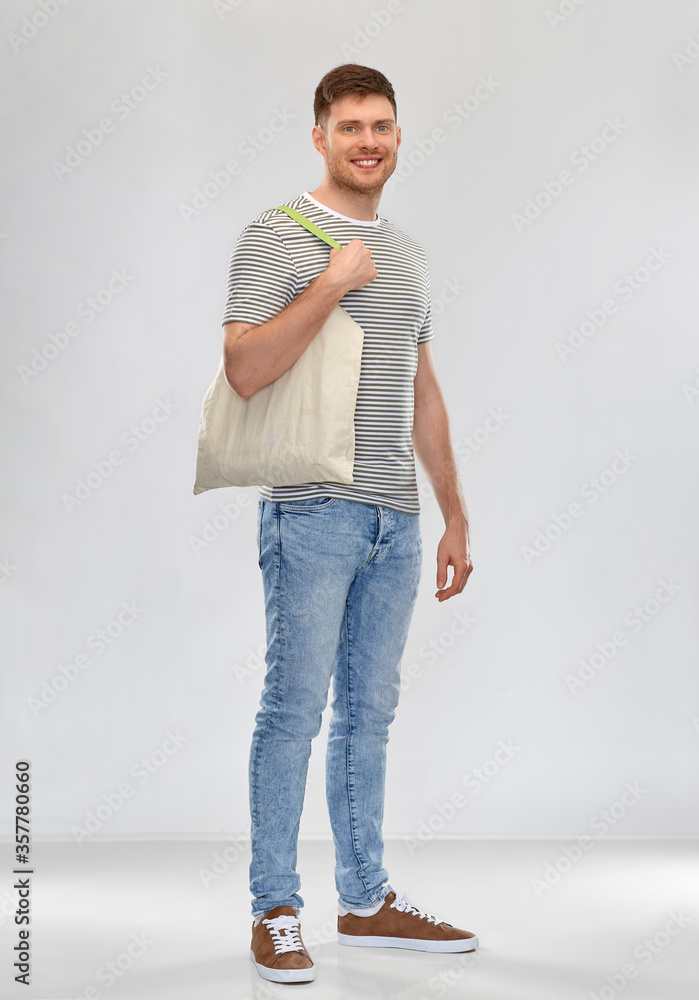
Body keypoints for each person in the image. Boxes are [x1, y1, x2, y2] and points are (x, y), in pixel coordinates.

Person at [221, 63, 477, 986]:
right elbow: (245, 368)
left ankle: (365, 901)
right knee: (292, 712)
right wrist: (330, 282)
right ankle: (274, 909)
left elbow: (423, 392)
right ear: (320, 136)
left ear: (399, 138)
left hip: (395, 522)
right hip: (312, 509)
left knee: (370, 714)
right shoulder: (276, 235)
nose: (367, 141)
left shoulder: (405, 253)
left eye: (382, 126)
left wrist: (452, 514)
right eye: (350, 126)